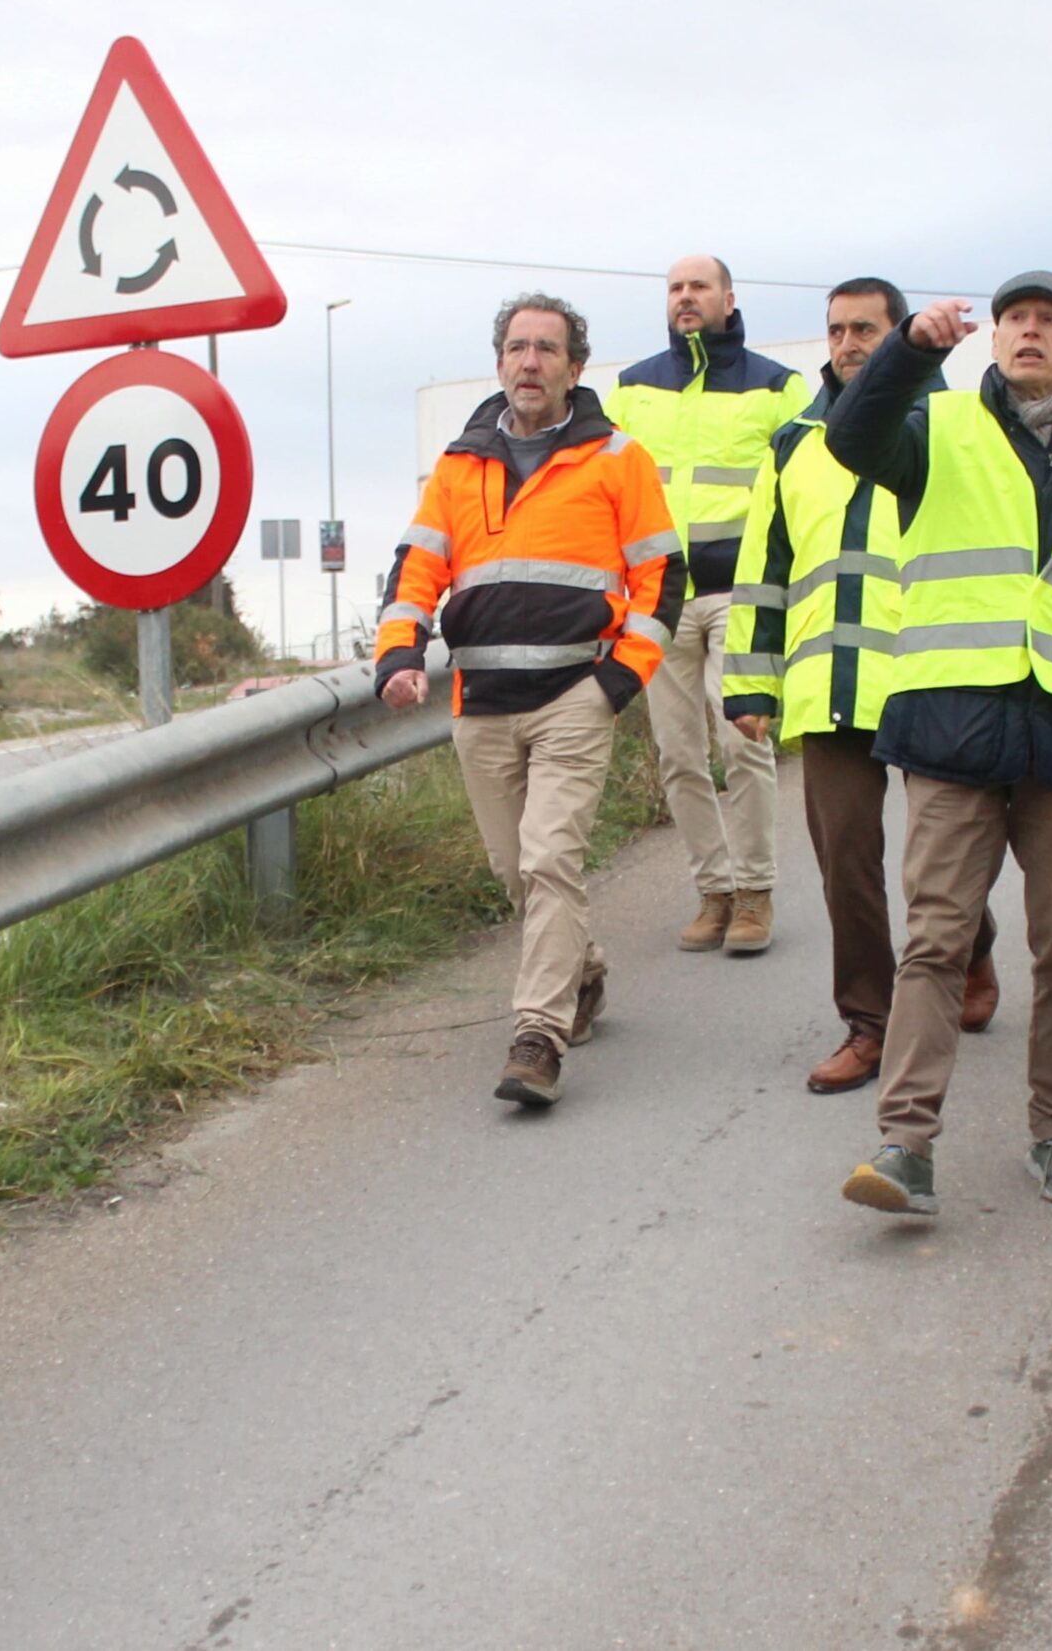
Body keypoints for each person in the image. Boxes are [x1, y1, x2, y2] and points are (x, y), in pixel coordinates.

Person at [822, 271, 1052, 1214]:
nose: (1031, 331)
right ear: (995, 338)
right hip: (951, 728)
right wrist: (910, 349)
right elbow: (848, 436)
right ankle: (905, 1145)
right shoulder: (935, 428)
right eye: (1017, 318)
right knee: (936, 941)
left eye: (1051, 320)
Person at [375, 292, 684, 1109]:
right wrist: (399, 656)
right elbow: (415, 571)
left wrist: (619, 679)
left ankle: (537, 1037)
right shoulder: (458, 465)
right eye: (518, 347)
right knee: (514, 869)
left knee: (551, 858)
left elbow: (661, 577)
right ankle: (580, 973)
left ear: (575, 368)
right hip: (480, 701)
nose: (531, 362)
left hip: (573, 693)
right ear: (500, 361)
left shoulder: (618, 458)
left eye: (548, 349)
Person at [724, 278, 1002, 1095]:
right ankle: (869, 1021)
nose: (849, 344)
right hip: (826, 684)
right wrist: (750, 683)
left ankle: (974, 949)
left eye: (866, 329)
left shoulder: (961, 426)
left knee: (940, 862)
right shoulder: (792, 443)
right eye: (837, 329)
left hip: (930, 675)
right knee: (847, 860)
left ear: (902, 335)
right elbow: (763, 569)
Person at [604, 255, 809, 955]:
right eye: (674, 288)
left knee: (741, 740)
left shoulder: (778, 386)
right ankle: (713, 890)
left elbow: (804, 484)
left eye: (698, 286)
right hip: (660, 597)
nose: (685, 297)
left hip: (739, 592)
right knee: (677, 752)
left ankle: (755, 892)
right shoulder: (631, 389)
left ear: (728, 297)